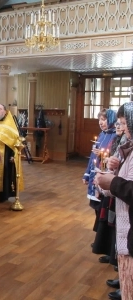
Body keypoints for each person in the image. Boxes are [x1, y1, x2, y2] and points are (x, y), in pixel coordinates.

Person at [95, 102, 133, 300]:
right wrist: (113, 168)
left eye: (126, 123)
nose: (123, 128)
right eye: (120, 123)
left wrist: (113, 181)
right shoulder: (128, 146)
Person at [82, 108, 117, 263]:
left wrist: (102, 155)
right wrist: (87, 175)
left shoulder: (115, 136)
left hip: (105, 178)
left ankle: (103, 241)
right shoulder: (102, 135)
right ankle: (99, 239)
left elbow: (111, 159)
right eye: (99, 121)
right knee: (96, 209)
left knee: (102, 211)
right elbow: (92, 159)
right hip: (95, 175)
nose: (101, 123)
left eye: (104, 120)